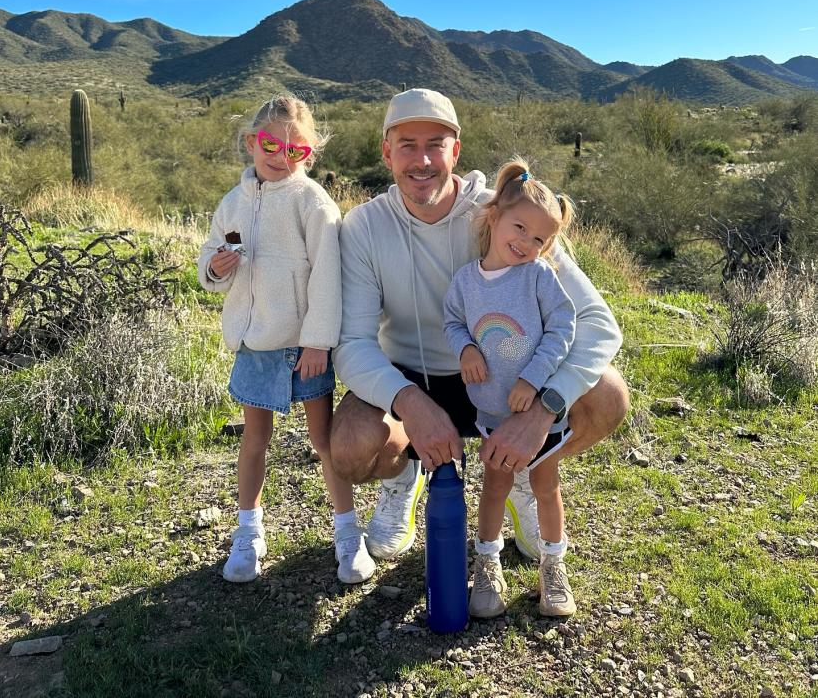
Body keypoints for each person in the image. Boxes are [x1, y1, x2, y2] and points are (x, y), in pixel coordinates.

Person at [330, 88, 627, 601]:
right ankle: (405, 474)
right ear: (386, 152)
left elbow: (598, 325)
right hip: (411, 378)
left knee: (609, 397)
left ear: (456, 150)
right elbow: (353, 344)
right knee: (351, 448)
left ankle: (521, 469)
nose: (421, 160)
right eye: (406, 145)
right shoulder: (363, 228)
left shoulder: (506, 214)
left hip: (510, 381)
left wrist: (538, 414)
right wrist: (411, 404)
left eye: (435, 144)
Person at [198, 95, 374, 586]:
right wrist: (214, 268)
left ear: (308, 155)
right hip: (255, 342)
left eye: (295, 151)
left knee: (323, 442)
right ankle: (248, 534)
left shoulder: (312, 202)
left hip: (303, 346)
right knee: (255, 441)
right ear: (253, 142)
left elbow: (327, 277)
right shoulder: (232, 202)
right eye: (271, 145)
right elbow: (212, 254)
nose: (280, 157)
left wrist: (318, 341)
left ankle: (347, 534)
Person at [444, 158, 578, 617]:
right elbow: (453, 322)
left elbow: (563, 327)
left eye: (539, 238)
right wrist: (465, 350)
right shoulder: (466, 281)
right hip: (491, 414)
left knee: (545, 485)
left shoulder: (539, 277)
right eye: (519, 228)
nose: (526, 243)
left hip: (537, 413)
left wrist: (532, 381)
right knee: (494, 486)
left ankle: (553, 566)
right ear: (495, 214)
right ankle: (487, 564)